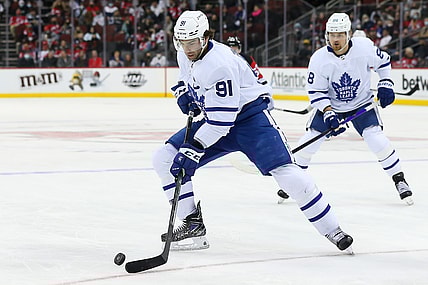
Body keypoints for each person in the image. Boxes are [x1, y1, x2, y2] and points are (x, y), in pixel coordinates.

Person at [151, 10, 353, 253]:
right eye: (182, 43)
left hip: (250, 120)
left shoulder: (220, 63)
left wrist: (193, 150)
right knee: (164, 158)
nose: (187, 48)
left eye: (192, 42)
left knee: (288, 173)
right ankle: (192, 223)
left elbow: (222, 123)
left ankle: (333, 229)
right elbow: (185, 77)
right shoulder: (185, 51)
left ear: (205, 37)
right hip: (217, 117)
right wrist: (183, 93)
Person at [293, 13, 413, 205]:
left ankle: (399, 180)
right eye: (331, 34)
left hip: (361, 104)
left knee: (376, 139)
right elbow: (316, 91)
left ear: (348, 34)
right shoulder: (319, 59)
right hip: (332, 106)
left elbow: (383, 62)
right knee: (310, 141)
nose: (335, 39)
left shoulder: (364, 48)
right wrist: (328, 112)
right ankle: (293, 183)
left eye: (339, 34)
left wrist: (386, 82)